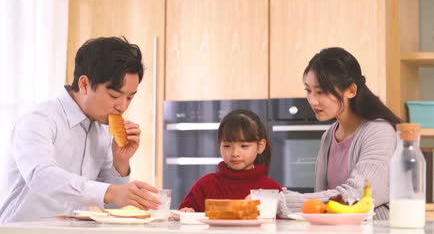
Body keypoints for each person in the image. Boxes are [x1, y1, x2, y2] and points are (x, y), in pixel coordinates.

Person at [0, 37, 161, 223]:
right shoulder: (39, 119)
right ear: (84, 84)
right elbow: (41, 176)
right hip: (20, 229)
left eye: (130, 98)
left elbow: (108, 205)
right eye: (114, 95)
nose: (122, 106)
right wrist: (110, 192)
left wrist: (120, 162)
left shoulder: (102, 130)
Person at [278, 47, 401, 220]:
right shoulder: (329, 135)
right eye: (308, 90)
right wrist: (275, 196)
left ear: (351, 90)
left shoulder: (379, 132)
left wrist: (284, 202)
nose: (312, 100)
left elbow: (356, 195)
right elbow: (321, 198)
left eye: (320, 92)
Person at [178, 109, 282, 212]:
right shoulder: (205, 184)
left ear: (260, 146)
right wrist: (186, 213)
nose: (235, 153)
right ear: (219, 145)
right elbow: (181, 216)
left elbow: (282, 226)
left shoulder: (271, 189)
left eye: (244, 146)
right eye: (227, 146)